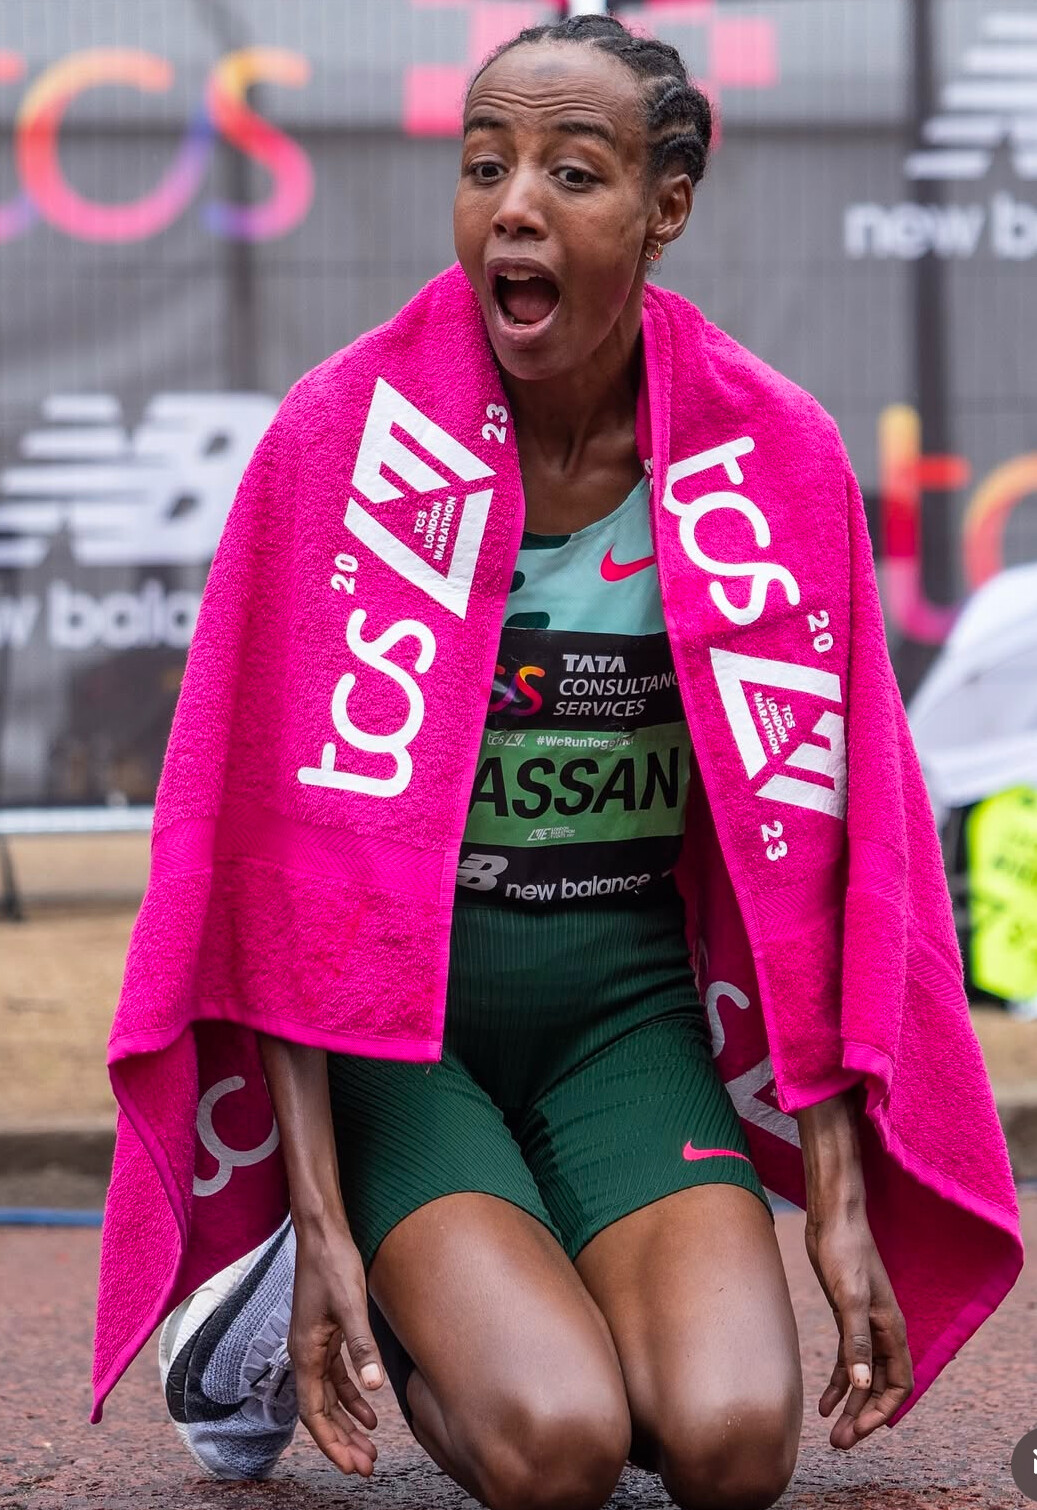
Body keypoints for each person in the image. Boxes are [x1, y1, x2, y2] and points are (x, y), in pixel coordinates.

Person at [155, 15, 915, 1510]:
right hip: (398, 1034)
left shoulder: (773, 457)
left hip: (621, 1012)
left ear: (665, 208)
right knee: (562, 1450)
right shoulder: (340, 443)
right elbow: (273, 867)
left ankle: (528, 1256)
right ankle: (331, 1276)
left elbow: (813, 849)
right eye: (483, 164)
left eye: (572, 172)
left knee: (730, 1448)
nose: (513, 206)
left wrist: (837, 1196)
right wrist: (321, 1220)